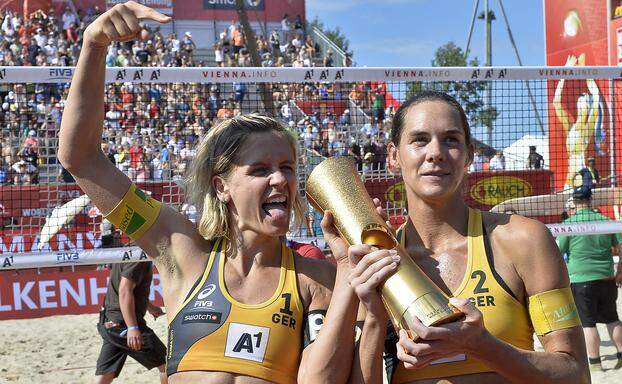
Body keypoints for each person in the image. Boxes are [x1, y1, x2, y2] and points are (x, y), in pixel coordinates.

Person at [58, 3, 360, 383]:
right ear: (222, 187)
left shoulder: (316, 278)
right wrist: (93, 46)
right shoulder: (182, 250)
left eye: (286, 167)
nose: (280, 179)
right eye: (261, 170)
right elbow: (81, 159)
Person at [347, 91, 589, 383]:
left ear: (470, 154)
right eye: (420, 139)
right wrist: (375, 319)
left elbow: (575, 374)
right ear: (393, 156)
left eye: (450, 139)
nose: (435, 152)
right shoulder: (377, 263)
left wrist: (481, 345)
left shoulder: (522, 240)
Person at [557, 186, 622, 371]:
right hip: (606, 277)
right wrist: (621, 271)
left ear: (574, 201)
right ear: (591, 200)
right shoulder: (605, 221)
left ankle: (596, 364)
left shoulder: (569, 224)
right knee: (613, 319)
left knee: (588, 324)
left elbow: (558, 252)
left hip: (581, 279)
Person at [96, 261, 167, 383]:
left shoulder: (127, 252)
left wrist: (149, 307)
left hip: (110, 321)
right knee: (167, 363)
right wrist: (133, 328)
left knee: (105, 375)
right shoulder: (138, 256)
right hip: (123, 324)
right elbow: (124, 290)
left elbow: (127, 289)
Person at [553, 54, 601, 187]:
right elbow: (556, 102)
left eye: (585, 100)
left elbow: (596, 98)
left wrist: (585, 72)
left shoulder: (588, 127)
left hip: (580, 178)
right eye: (581, 99)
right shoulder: (569, 127)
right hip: (569, 181)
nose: (583, 101)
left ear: (587, 107)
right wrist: (565, 71)